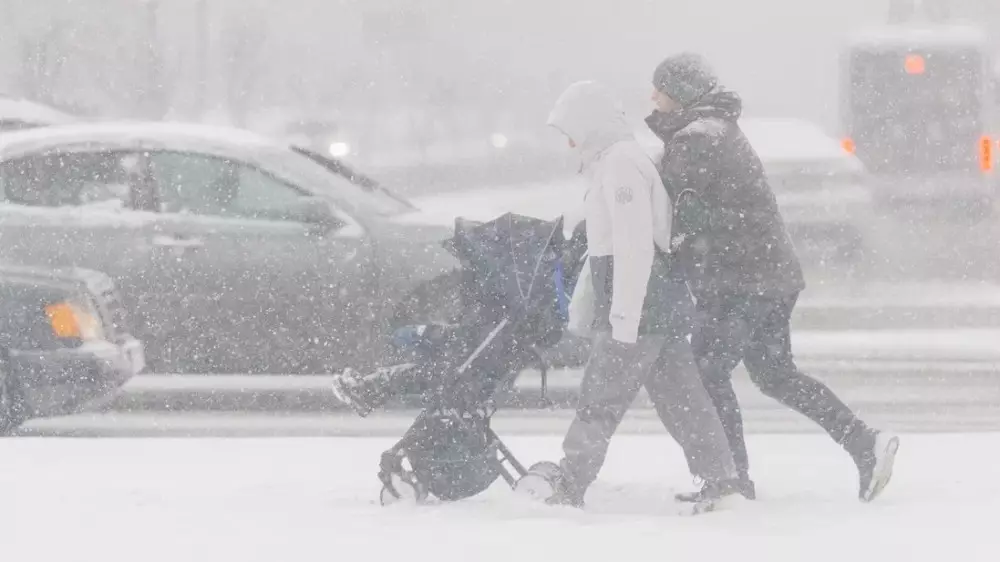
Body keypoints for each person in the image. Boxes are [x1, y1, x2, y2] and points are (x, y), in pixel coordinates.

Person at [644, 52, 899, 503]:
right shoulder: (717, 129)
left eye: (660, 89)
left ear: (679, 93)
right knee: (775, 375)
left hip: (739, 281)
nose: (653, 98)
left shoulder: (697, 138)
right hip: (769, 276)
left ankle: (731, 481)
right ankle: (864, 442)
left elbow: (673, 213)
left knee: (706, 373)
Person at [541, 80, 745, 509]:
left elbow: (633, 246)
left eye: (571, 130)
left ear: (590, 124)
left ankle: (570, 484)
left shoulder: (620, 166)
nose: (570, 141)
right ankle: (721, 481)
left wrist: (623, 317)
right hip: (655, 302)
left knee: (600, 398)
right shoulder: (616, 161)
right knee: (682, 398)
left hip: (638, 301)